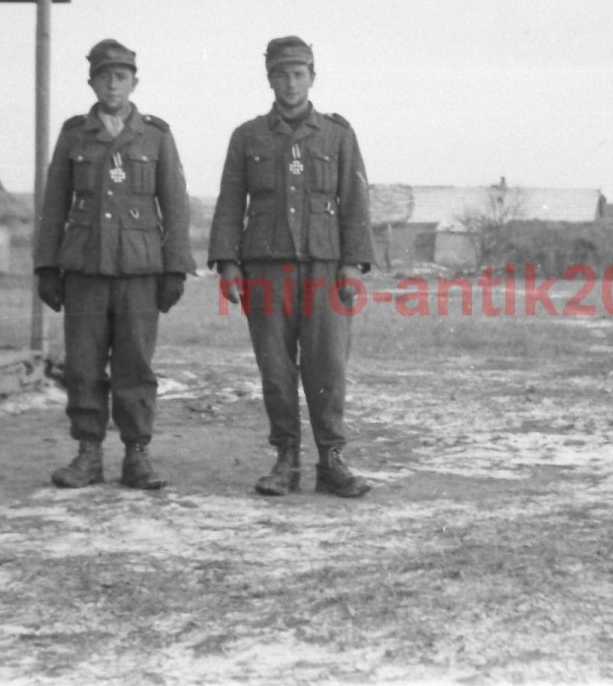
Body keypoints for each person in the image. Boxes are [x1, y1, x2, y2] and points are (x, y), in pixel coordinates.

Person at [208, 35, 375, 498]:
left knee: (327, 367)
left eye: (298, 74)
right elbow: (230, 202)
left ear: (312, 77)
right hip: (266, 268)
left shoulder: (338, 135)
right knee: (276, 368)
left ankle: (332, 460)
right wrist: (227, 264)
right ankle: (286, 460)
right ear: (269, 79)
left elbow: (355, 201)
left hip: (325, 268)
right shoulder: (248, 136)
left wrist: (353, 264)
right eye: (281, 75)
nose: (290, 83)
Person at [34, 38, 194, 490]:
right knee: (83, 365)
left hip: (139, 272)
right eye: (104, 77)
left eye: (120, 77)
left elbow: (175, 205)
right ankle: (88, 454)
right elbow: (54, 205)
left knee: (135, 366)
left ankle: (136, 456)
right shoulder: (74, 135)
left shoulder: (156, 135)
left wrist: (174, 269)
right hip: (84, 270)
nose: (112, 85)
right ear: (92, 83)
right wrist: (46, 267)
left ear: (133, 83)